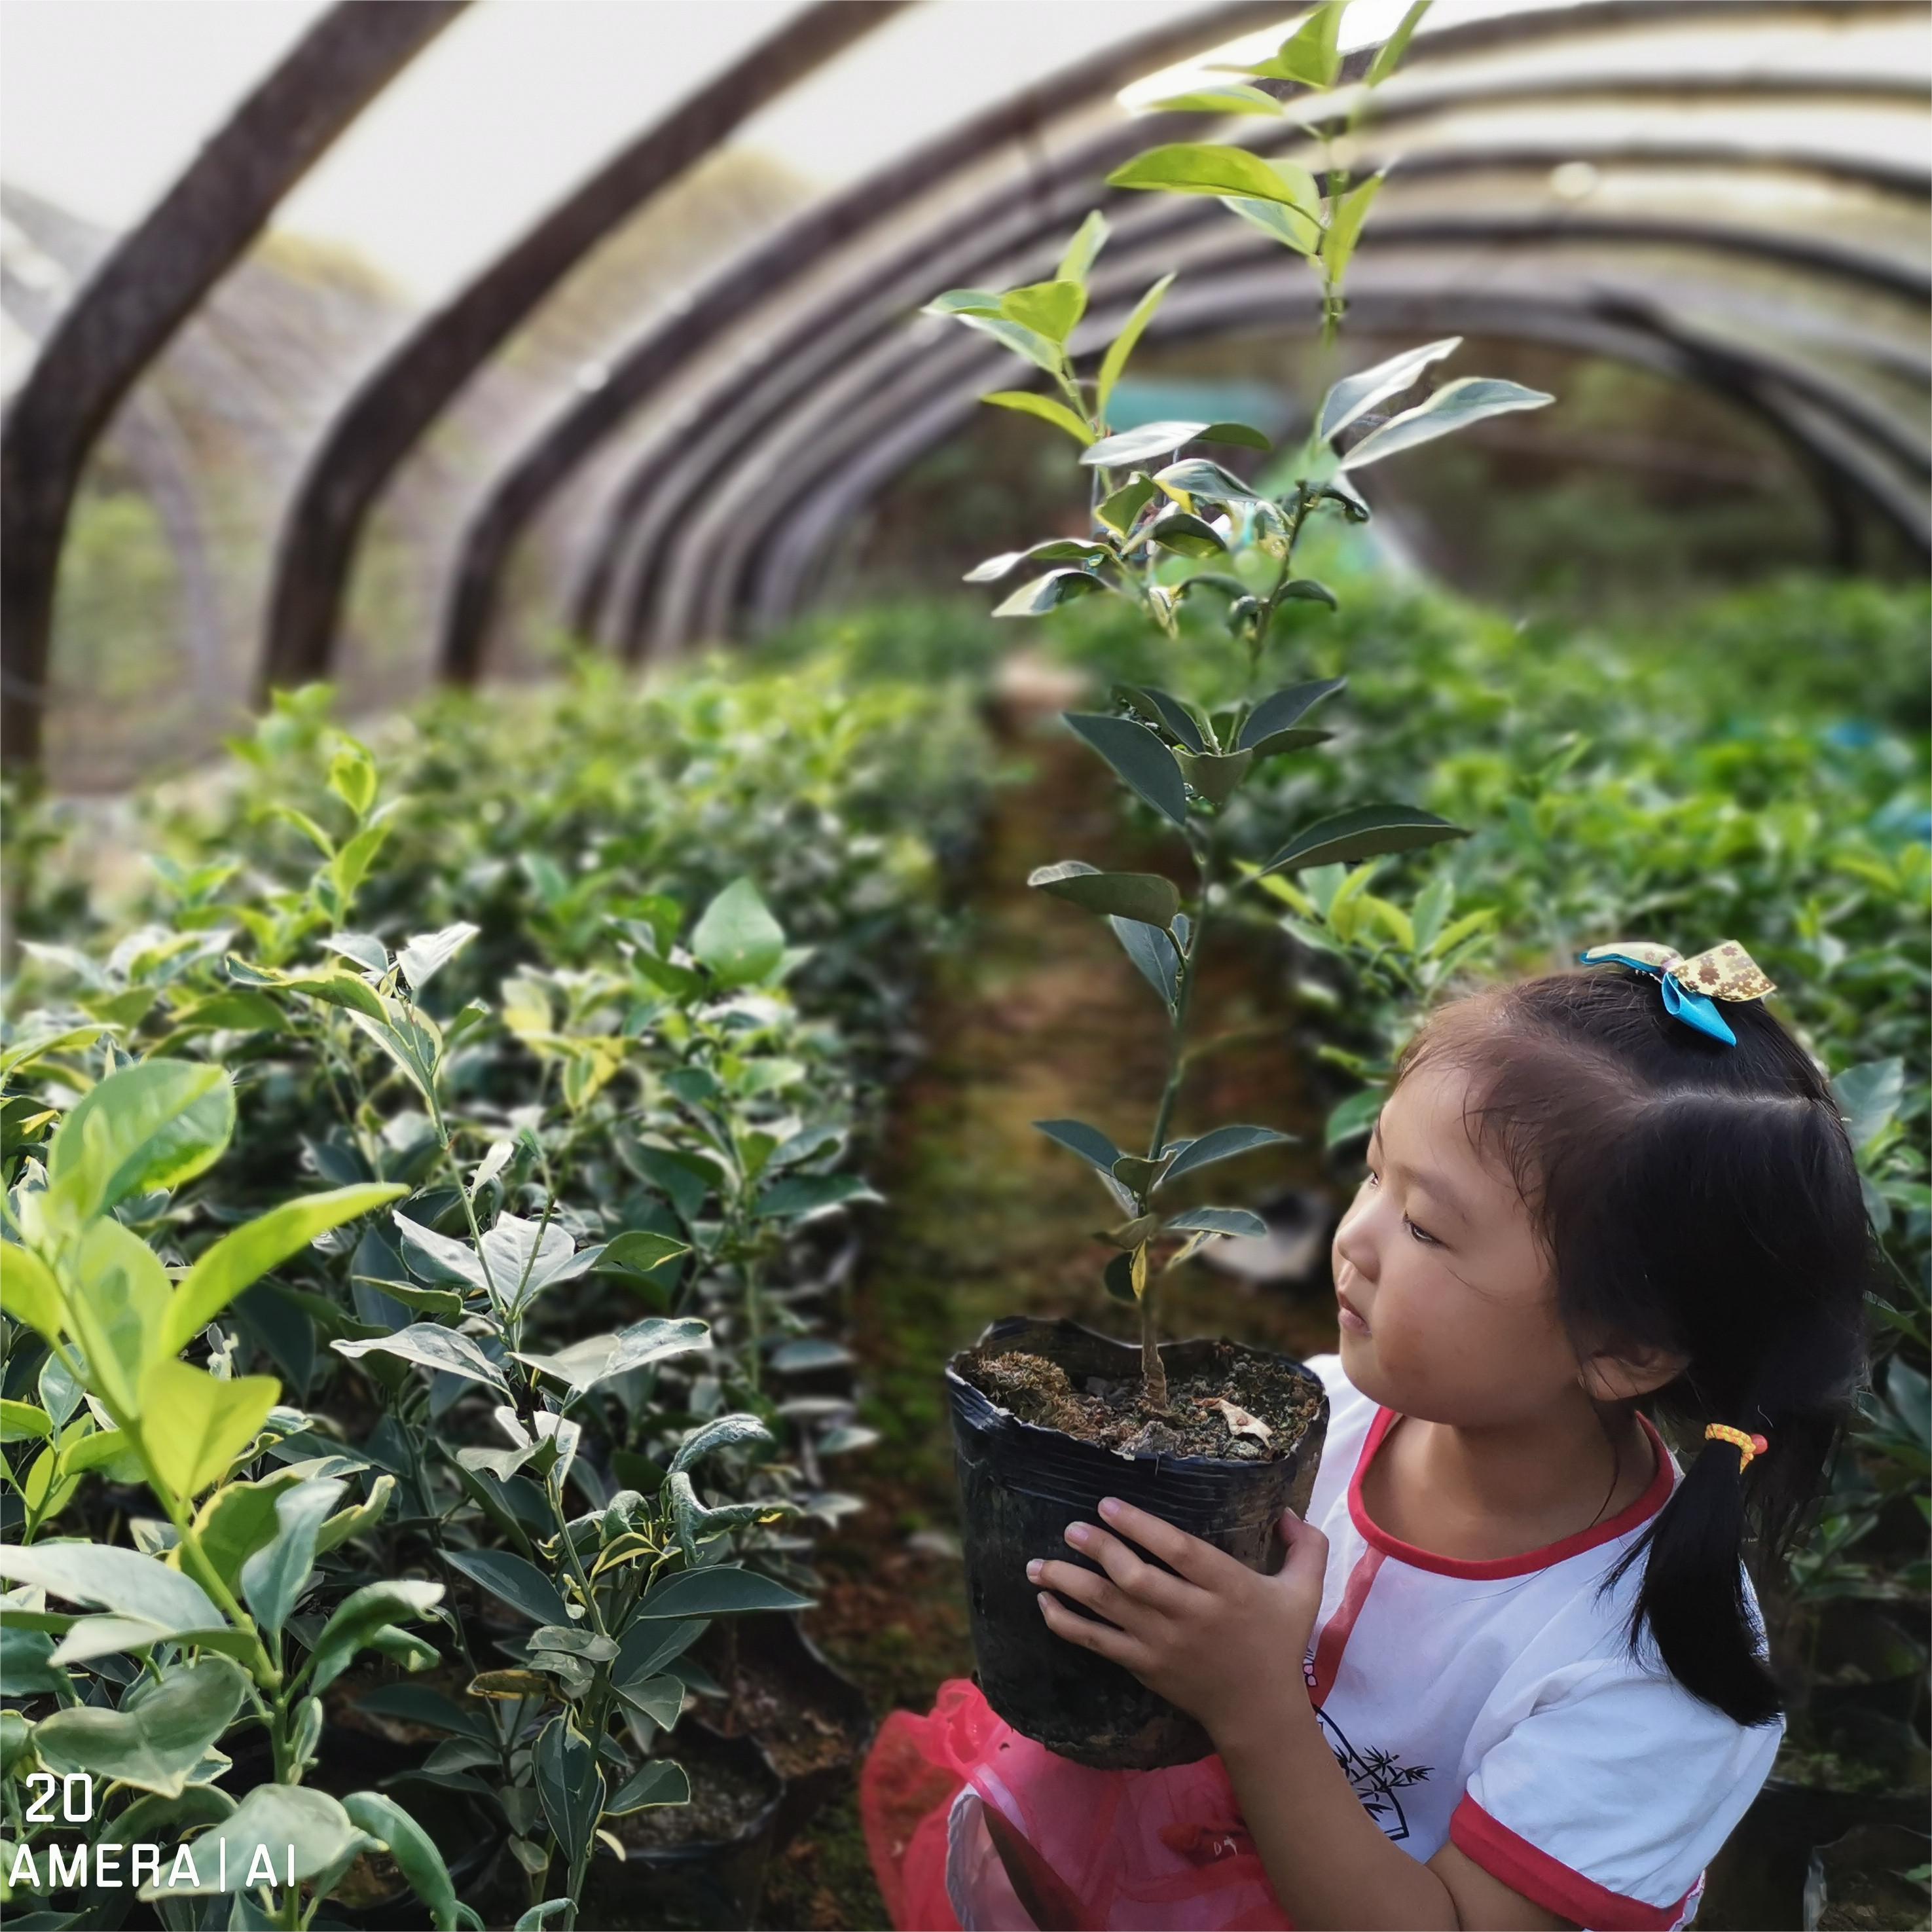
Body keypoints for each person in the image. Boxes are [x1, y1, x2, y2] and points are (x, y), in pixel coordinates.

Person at [861, 943, 1878, 1931]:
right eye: (1373, 1172)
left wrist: (1253, 1700)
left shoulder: (1651, 1675)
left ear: (1624, 1348)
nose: (1353, 1237)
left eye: (1427, 1227)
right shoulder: (1323, 1413)